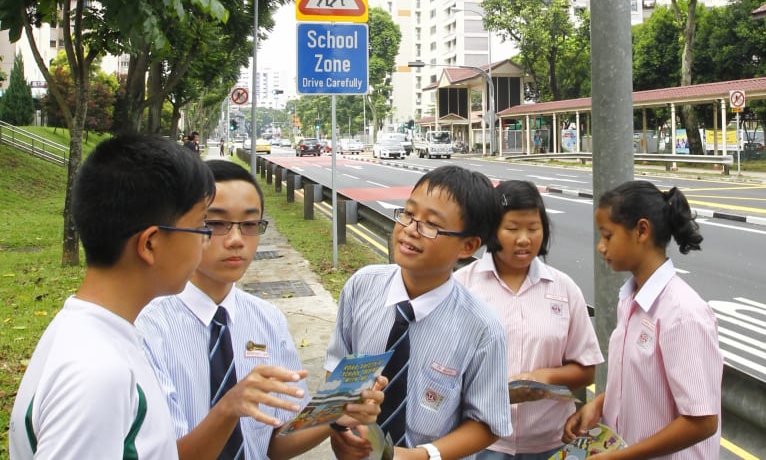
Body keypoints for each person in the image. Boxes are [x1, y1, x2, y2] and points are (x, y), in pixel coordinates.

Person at [136, 160, 384, 460]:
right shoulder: (146, 328)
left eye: (250, 225)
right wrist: (228, 409)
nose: (237, 240)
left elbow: (275, 444)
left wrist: (336, 411)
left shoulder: (266, 319)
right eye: (216, 224)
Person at [9, 134, 216, 459]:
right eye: (202, 225)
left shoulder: (85, 331)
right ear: (150, 244)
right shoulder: (98, 374)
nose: (207, 242)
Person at [326, 165, 512, 460]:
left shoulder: (481, 328)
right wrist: (340, 432)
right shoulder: (362, 287)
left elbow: (487, 423)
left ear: (468, 245)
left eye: (431, 225)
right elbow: (338, 369)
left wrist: (421, 456)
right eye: (409, 214)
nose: (411, 229)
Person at [563, 181, 722, 459]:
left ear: (642, 231)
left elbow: (703, 421)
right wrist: (600, 404)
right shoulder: (631, 299)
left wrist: (619, 457)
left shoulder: (682, 315)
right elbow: (641, 384)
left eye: (608, 235)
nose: (601, 247)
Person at [455, 180, 603, 460]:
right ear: (492, 229)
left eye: (533, 228)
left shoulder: (564, 288)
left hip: (551, 442)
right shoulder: (462, 287)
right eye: (512, 228)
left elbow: (586, 370)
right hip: (480, 442)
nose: (524, 239)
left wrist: (543, 378)